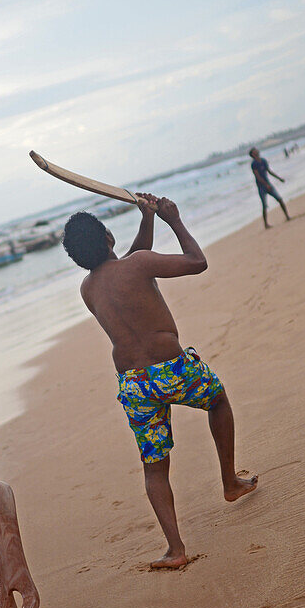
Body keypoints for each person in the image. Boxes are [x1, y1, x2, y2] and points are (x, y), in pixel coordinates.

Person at [62, 195, 258, 571]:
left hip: (134, 383)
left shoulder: (89, 289)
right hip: (172, 368)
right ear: (107, 236)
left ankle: (175, 549)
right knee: (217, 401)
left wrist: (146, 217)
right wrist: (173, 220)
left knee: (154, 466)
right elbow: (196, 262)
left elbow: (130, 264)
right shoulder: (137, 266)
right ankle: (230, 482)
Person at [249, 148, 290, 228]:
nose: (257, 151)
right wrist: (266, 184)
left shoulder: (263, 161)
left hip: (268, 184)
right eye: (255, 151)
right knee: (264, 205)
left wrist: (279, 178)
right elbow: (257, 176)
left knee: (279, 199)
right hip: (261, 187)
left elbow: (269, 171)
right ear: (253, 154)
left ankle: (287, 216)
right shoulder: (254, 164)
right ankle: (266, 224)